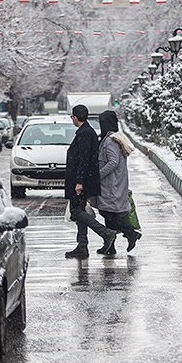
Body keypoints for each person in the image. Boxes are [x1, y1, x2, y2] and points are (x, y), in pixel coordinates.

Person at [64, 105, 116, 259]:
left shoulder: (85, 134)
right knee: (80, 211)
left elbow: (84, 160)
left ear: (75, 117)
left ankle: (106, 233)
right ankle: (82, 245)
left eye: (72, 117)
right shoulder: (85, 131)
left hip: (82, 181)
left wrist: (79, 182)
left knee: (77, 212)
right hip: (83, 179)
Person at [96, 110, 141, 254]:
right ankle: (111, 246)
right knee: (109, 212)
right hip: (115, 183)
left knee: (106, 212)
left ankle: (130, 233)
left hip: (111, 184)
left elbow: (113, 162)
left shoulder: (110, 141)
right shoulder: (116, 138)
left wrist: (98, 175)